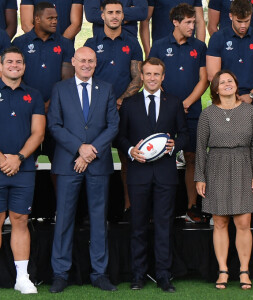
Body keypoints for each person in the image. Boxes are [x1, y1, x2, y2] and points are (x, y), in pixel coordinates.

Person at [47, 46, 119, 293]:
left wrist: (89, 153)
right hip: (68, 164)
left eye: (91, 61)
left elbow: (112, 126)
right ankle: (60, 274)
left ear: (95, 63)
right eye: (83, 60)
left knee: (99, 220)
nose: (87, 64)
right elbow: (54, 125)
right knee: (64, 218)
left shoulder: (107, 88)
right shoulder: (60, 89)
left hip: (97, 164)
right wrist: (80, 148)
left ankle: (99, 273)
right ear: (73, 62)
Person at [116, 57, 188, 292]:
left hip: (165, 174)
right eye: (148, 74)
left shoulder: (174, 103)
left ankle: (164, 275)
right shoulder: (129, 103)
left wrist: (174, 144)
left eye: (157, 74)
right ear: (141, 76)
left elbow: (186, 134)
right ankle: (138, 275)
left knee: (164, 226)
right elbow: (120, 137)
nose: (152, 78)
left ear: (163, 76)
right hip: (138, 175)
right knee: (137, 225)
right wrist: (130, 150)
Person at [206, 0, 253, 225]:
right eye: (239, 21)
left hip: (251, 99)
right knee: (220, 153)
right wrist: (230, 97)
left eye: (247, 21)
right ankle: (219, 208)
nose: (244, 26)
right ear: (230, 17)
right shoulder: (218, 38)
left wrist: (252, 95)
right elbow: (212, 75)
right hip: (224, 101)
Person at [195, 70, 253, 290]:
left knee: (243, 223)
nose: (227, 84)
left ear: (236, 85)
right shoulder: (207, 114)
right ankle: (223, 271)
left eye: (230, 81)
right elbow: (200, 149)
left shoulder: (249, 111)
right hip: (216, 166)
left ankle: (244, 271)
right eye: (222, 82)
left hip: (243, 166)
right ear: (215, 88)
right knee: (221, 222)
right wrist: (200, 177)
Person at [149, 3, 208, 223]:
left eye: (193, 22)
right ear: (175, 22)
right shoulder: (160, 45)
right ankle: (161, 209)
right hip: (165, 112)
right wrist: (173, 105)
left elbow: (204, 79)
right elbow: (153, 77)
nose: (192, 26)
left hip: (192, 112)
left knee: (192, 157)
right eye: (188, 22)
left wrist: (187, 103)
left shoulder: (200, 47)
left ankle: (192, 207)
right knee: (162, 157)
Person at [85, 0, 143, 219]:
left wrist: (120, 100)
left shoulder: (132, 42)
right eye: (110, 12)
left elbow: (137, 77)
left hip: (126, 109)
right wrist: (103, 103)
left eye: (118, 12)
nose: (115, 16)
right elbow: (85, 76)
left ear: (123, 15)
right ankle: (96, 211)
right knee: (95, 159)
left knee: (128, 158)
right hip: (97, 111)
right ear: (103, 16)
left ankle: (130, 208)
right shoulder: (91, 42)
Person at [0, 46, 45, 294]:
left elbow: (38, 132)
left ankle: (22, 278)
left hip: (23, 168)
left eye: (19, 62)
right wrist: (2, 160)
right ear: (1, 65)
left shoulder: (34, 94)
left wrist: (17, 158)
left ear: (24, 67)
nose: (14, 65)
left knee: (20, 220)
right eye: (10, 61)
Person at [13, 2, 75, 161]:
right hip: (26, 111)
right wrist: (35, 105)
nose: (55, 21)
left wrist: (49, 104)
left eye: (56, 18)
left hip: (55, 112)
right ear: (37, 19)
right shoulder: (19, 43)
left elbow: (66, 80)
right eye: (50, 18)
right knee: (25, 160)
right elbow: (14, 77)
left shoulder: (65, 44)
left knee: (59, 162)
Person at [140, 0, 206, 57]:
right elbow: (145, 20)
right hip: (161, 48)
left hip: (188, 48)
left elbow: (199, 22)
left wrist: (200, 50)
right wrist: (148, 53)